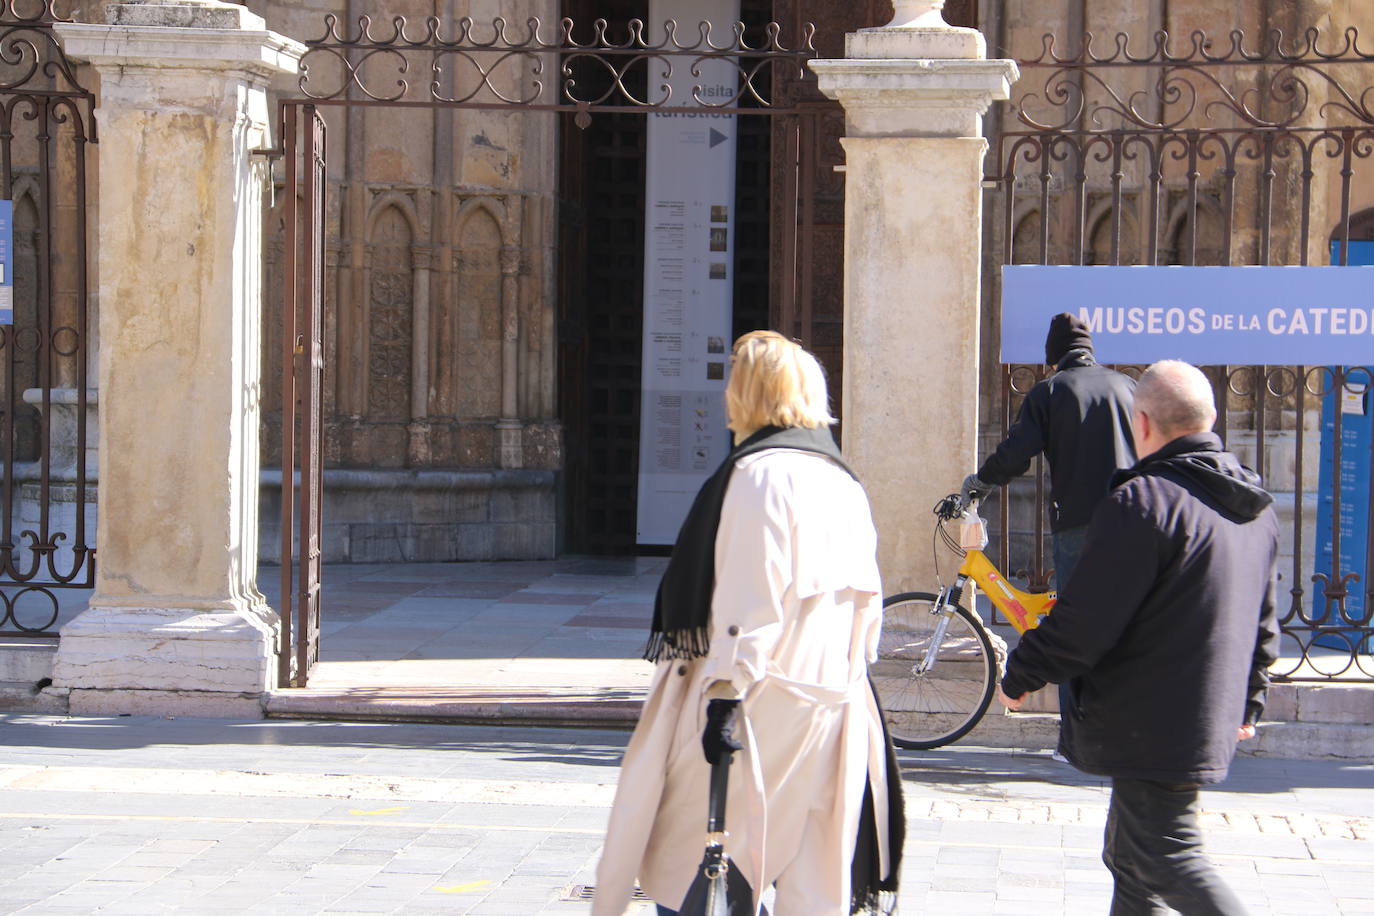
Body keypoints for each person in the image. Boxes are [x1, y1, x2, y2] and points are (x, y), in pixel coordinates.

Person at [593, 331, 904, 916]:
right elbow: (869, 612)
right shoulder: (843, 481)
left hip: (760, 709)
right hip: (828, 708)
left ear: (749, 394)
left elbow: (748, 600)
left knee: (699, 864)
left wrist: (723, 700)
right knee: (800, 875)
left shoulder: (760, 475)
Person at [996, 359, 1281, 915]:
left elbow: (1086, 619)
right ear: (1211, 418)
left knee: (1168, 856)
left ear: (1141, 425)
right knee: (1132, 861)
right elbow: (1263, 622)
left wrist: (1023, 671)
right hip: (1198, 711)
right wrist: (1252, 696)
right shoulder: (1253, 509)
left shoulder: (1144, 502)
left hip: (1152, 718)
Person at [964, 312, 1137, 584]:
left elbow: (1017, 454)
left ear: (1054, 359)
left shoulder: (1050, 391)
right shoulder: (1128, 386)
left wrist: (981, 481)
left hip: (1079, 520)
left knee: (1080, 613)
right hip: (1133, 515)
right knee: (1129, 609)